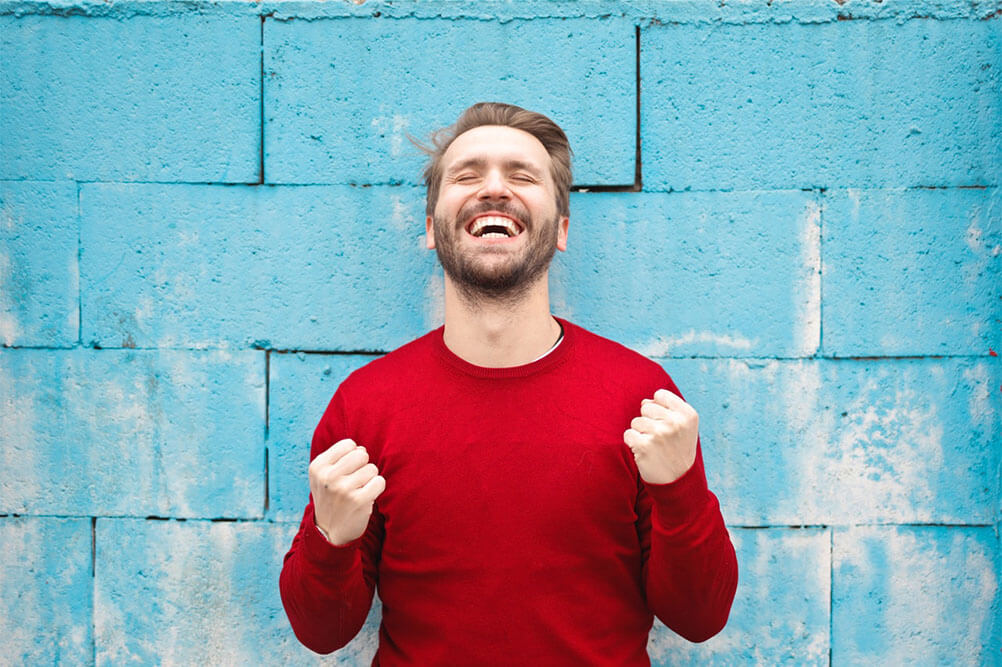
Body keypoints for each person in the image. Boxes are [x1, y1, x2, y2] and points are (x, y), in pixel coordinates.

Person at [279, 102, 738, 665]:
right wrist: (331, 541)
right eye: (467, 175)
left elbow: (700, 618)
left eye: (521, 176)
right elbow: (322, 633)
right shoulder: (367, 404)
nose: (494, 189)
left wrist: (680, 489)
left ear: (562, 229)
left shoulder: (641, 397)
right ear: (430, 229)